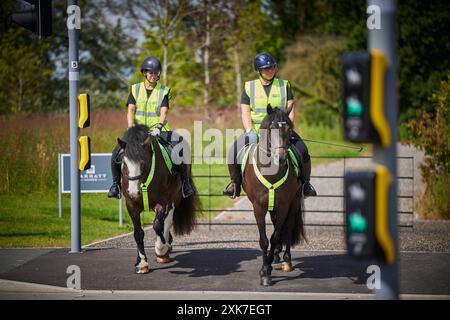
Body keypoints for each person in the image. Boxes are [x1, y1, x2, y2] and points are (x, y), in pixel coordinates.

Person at [223, 52, 317, 199]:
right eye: (267, 68)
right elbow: (245, 112)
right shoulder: (249, 87)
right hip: (257, 129)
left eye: (273, 67)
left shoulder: (284, 85)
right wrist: (249, 131)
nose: (271, 70)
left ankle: (306, 185)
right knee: (233, 152)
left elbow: (290, 109)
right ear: (259, 70)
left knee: (303, 150)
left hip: (281, 129)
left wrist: (289, 129)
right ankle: (235, 185)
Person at [108, 56, 195, 199]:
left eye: (156, 73)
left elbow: (164, 111)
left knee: (179, 148)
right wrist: (130, 128)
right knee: (115, 153)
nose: (153, 75)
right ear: (144, 73)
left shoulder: (163, 90)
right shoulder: (135, 89)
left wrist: (159, 126)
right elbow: (130, 109)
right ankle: (115, 185)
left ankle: (186, 184)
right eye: (150, 72)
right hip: (137, 131)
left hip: (159, 130)